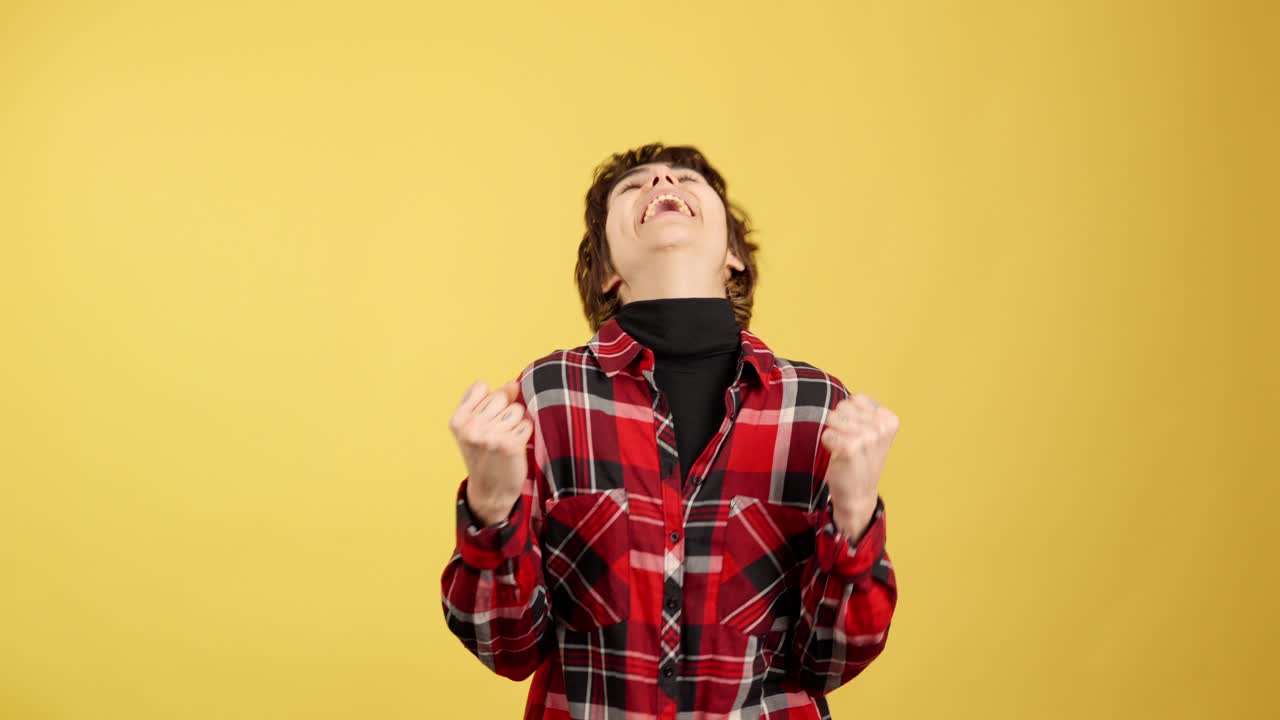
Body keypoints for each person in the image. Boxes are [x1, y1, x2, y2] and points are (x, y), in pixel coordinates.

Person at [441, 142, 900, 719]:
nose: (661, 179)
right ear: (607, 269)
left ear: (733, 254)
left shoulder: (816, 408)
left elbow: (831, 661)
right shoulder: (545, 396)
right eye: (632, 188)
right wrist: (489, 505)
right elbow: (506, 648)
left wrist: (855, 513)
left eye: (684, 178)